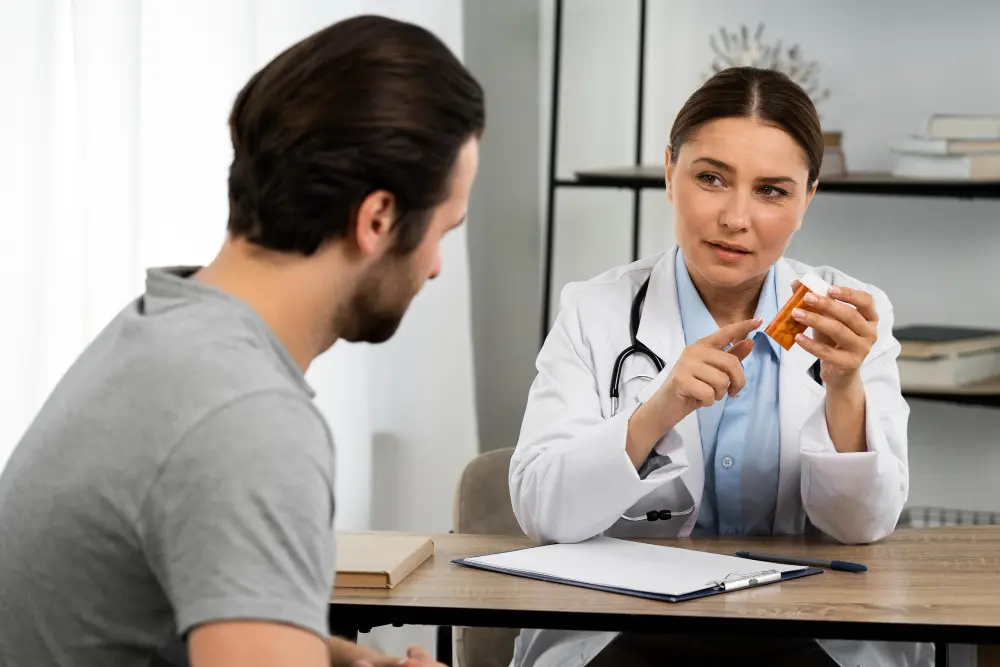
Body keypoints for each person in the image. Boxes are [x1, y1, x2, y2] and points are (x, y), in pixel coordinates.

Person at [0, 14, 483, 667]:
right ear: (377, 218)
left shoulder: (158, 331)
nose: (434, 267)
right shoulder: (249, 417)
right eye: (443, 232)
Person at [509, 67, 927, 667]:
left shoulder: (853, 317)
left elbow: (860, 526)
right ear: (669, 172)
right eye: (711, 178)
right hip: (626, 622)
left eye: (772, 191)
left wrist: (842, 387)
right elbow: (542, 511)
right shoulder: (592, 310)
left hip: (804, 622)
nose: (736, 218)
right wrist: (658, 410)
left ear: (807, 199)